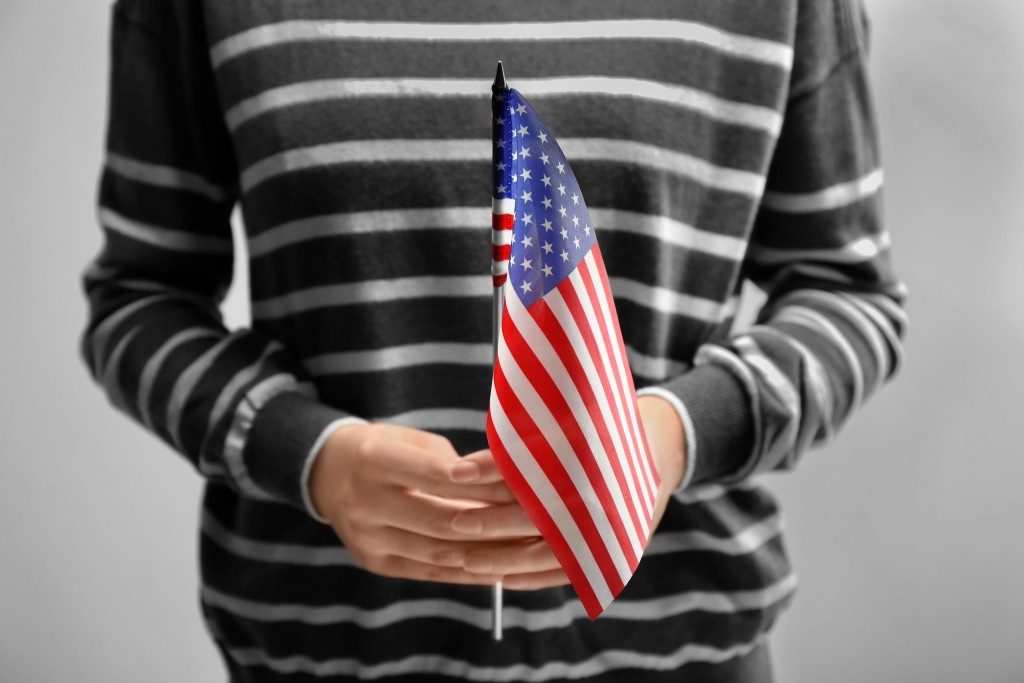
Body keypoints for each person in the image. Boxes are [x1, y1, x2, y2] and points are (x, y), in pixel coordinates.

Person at [80, 0, 907, 680]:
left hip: (682, 648)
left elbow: (846, 290)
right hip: (323, 652)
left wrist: (673, 437)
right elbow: (140, 297)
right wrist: (304, 450)